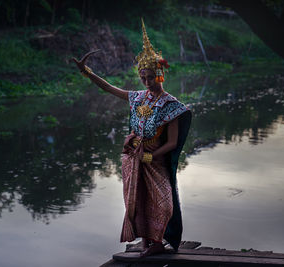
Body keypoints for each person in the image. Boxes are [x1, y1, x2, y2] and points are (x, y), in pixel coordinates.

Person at [72, 19, 191, 257]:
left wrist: (151, 156)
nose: (146, 82)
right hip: (134, 158)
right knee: (137, 201)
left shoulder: (172, 105)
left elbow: (171, 143)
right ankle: (147, 243)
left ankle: (159, 241)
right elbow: (108, 88)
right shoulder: (137, 97)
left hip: (155, 161)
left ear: (160, 74)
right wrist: (87, 72)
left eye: (150, 77)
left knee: (163, 203)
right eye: (142, 77)